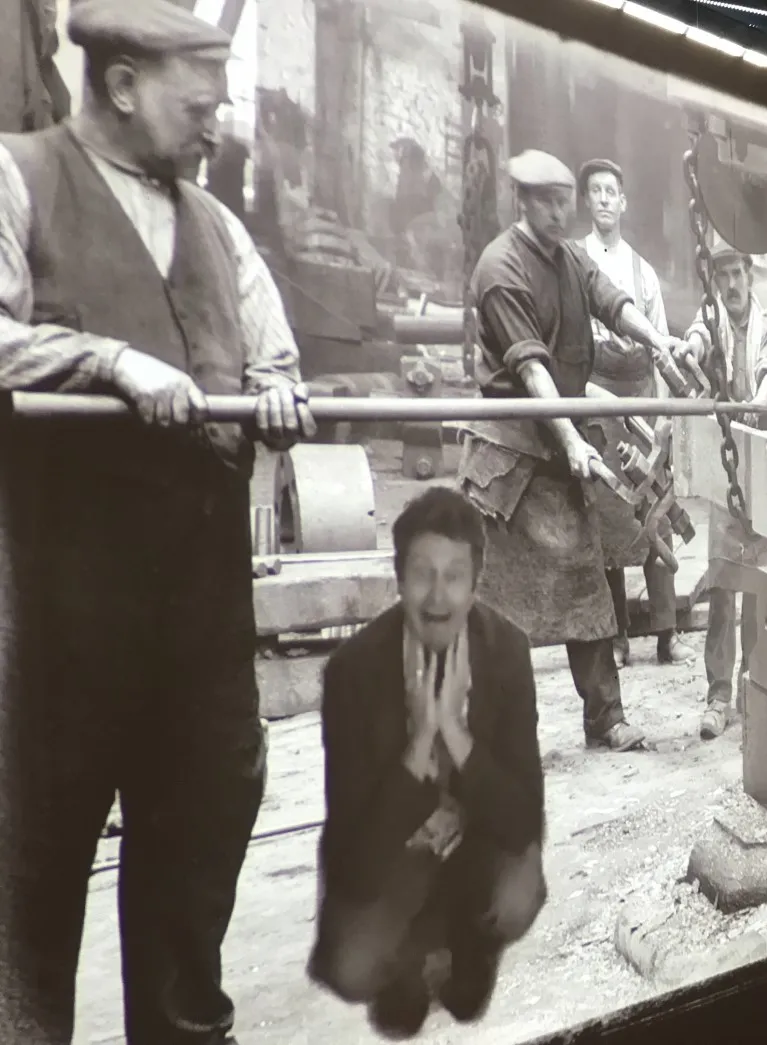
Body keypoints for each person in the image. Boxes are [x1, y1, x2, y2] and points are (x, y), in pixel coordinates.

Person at [0, 2, 316, 1043]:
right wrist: (109, 362)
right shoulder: (17, 179)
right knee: (29, 890)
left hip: (199, 635)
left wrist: (276, 398)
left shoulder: (221, 229)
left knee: (191, 886)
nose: (216, 125)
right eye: (200, 102)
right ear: (124, 84)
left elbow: (274, 356)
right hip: (60, 634)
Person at [458, 149, 685, 753]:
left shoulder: (569, 257)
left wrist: (659, 340)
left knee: (585, 581)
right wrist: (572, 438)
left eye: (565, 201)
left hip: (560, 448)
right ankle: (497, 734)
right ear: (524, 202)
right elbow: (532, 371)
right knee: (498, 608)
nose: (562, 212)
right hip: (510, 459)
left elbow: (612, 299)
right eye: (550, 202)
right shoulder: (501, 268)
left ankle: (605, 718)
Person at [308, 487, 546, 1038]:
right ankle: (411, 963)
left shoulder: (507, 651)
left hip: (477, 848)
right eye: (422, 573)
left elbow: (524, 819)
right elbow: (351, 858)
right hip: (394, 858)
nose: (437, 595)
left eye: (454, 574)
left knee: (516, 895)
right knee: (353, 966)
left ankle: (468, 946)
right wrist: (418, 748)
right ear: (398, 579)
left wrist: (456, 734)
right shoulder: (352, 672)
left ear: (475, 582)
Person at [576, 157, 695, 669]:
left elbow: (662, 342)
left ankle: (668, 633)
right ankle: (618, 634)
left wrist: (667, 412)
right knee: (607, 512)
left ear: (624, 202)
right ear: (587, 200)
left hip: (641, 392)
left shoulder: (642, 271)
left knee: (657, 504)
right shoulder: (575, 262)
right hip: (593, 389)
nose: (604, 199)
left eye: (612, 192)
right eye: (596, 191)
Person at [678, 242, 767, 740]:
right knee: (721, 585)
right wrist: (691, 348)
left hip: (762, 460)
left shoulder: (766, 326)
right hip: (725, 464)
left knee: (758, 583)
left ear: (750, 277)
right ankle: (716, 695)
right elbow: (696, 336)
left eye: (737, 273)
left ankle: (749, 685)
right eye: (722, 276)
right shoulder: (710, 320)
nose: (731, 285)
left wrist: (757, 402)